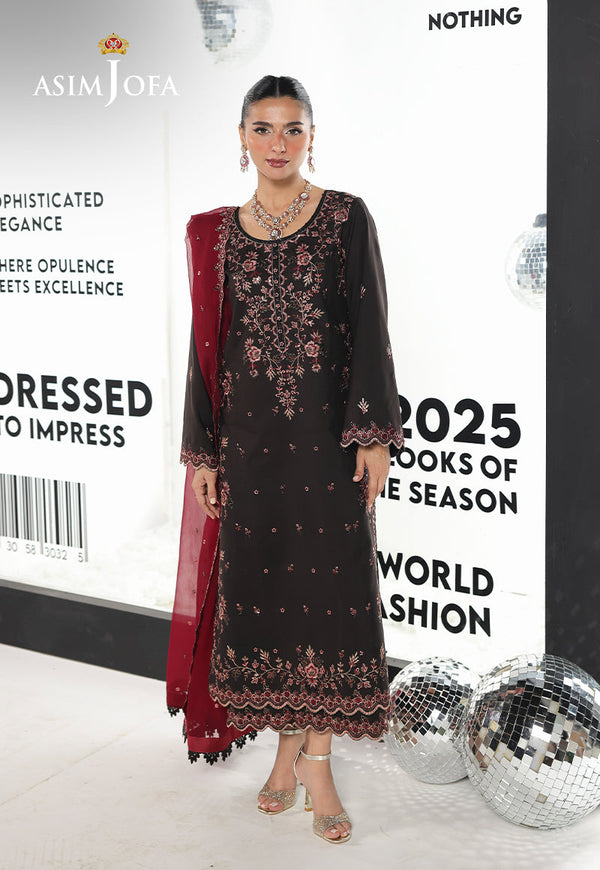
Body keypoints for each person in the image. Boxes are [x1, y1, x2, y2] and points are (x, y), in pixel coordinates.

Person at [166, 74, 403, 845]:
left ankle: (317, 765)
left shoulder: (345, 217)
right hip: (250, 449)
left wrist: (373, 435)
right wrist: (204, 450)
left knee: (327, 599)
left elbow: (370, 325)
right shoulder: (217, 235)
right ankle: (284, 750)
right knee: (265, 597)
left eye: (292, 129)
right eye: (263, 129)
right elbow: (206, 350)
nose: (278, 144)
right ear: (241, 137)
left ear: (312, 136)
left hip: (327, 446)